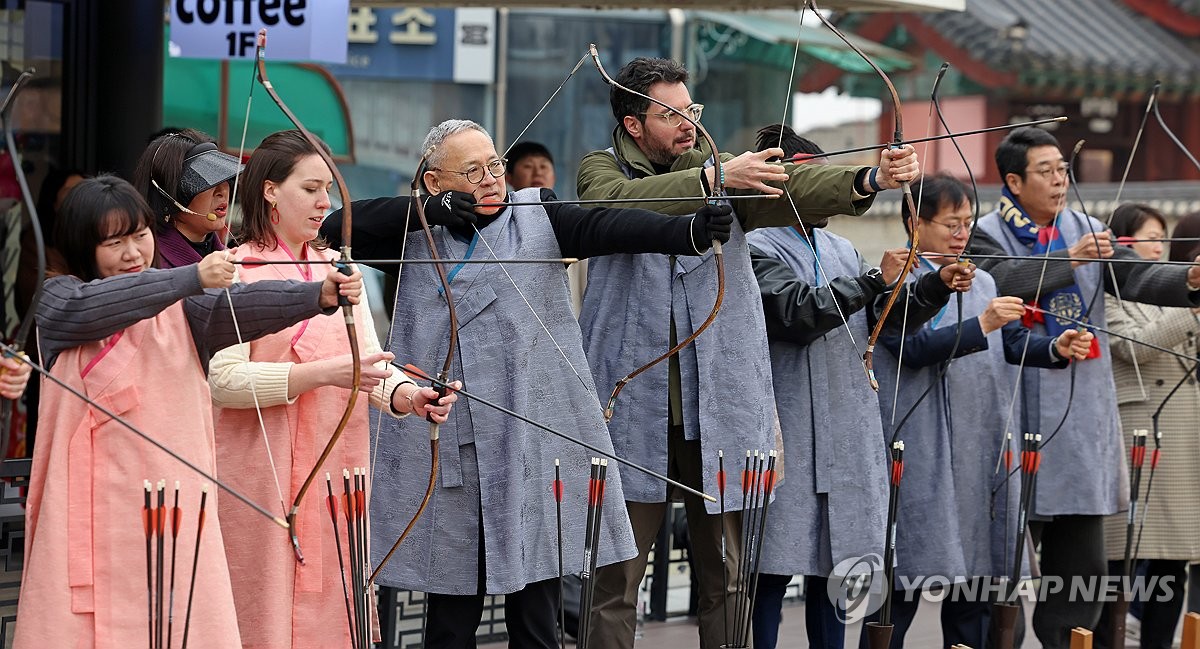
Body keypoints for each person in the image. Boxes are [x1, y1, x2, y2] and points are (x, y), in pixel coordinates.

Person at [319, 118, 735, 649]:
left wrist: (687, 232)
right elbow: (334, 226)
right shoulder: (411, 232)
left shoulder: (537, 214)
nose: (492, 178)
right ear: (433, 182)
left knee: (536, 620)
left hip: (529, 446)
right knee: (450, 620)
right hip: (450, 447)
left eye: (494, 165)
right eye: (472, 171)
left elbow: (606, 226)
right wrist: (427, 213)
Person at [575, 56, 924, 649]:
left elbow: (794, 186)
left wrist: (868, 180)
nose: (689, 122)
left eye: (693, 110)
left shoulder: (719, 171)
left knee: (730, 577)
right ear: (634, 124)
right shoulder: (600, 170)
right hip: (631, 410)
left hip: (717, 412)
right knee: (615, 579)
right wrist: (714, 181)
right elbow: (611, 206)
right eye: (672, 113)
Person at [14, 174, 362, 648]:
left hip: (170, 516)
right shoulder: (60, 301)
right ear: (82, 248)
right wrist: (189, 277)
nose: (134, 253)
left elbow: (239, 306)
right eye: (115, 243)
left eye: (139, 236)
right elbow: (92, 307)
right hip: (89, 519)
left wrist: (315, 296)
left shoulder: (184, 308)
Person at [207, 129, 457, 649]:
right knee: (258, 611)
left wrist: (411, 396)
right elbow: (224, 380)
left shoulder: (339, 270)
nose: (325, 203)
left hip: (334, 471)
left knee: (336, 611)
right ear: (270, 190)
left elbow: (370, 364)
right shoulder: (235, 270)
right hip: (259, 475)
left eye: (328, 190)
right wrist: (322, 375)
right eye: (311, 188)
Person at [966, 127, 1200, 649]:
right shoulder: (983, 233)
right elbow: (996, 279)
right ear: (1012, 181)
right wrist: (1068, 260)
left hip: (1078, 427)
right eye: (1046, 171)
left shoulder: (1087, 228)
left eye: (1062, 170)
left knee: (1083, 570)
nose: (1058, 181)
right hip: (1008, 421)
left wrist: (1188, 281)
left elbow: (1138, 277)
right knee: (999, 570)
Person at [746, 130, 972, 649]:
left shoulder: (841, 246)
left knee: (836, 575)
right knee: (769, 577)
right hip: (789, 433)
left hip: (845, 431)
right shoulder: (754, 244)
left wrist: (934, 286)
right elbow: (796, 313)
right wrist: (874, 278)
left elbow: (883, 324)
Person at [863, 173, 1093, 649]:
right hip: (921, 447)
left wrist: (1055, 346)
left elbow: (1009, 342)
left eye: (967, 222)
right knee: (901, 583)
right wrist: (982, 321)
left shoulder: (983, 278)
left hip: (978, 447)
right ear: (914, 222)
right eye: (950, 223)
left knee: (977, 584)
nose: (962, 233)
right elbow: (912, 348)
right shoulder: (893, 279)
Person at [1095, 205, 1200, 649]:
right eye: (1146, 237)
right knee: (1122, 558)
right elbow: (1136, 347)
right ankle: (1113, 638)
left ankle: (1158, 640)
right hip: (1138, 428)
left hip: (1183, 431)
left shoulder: (1178, 291)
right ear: (1121, 243)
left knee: (1173, 560)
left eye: (1161, 236)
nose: (1157, 245)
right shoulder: (1108, 295)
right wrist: (1192, 309)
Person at [131, 129, 239, 268]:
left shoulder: (234, 258)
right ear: (170, 194)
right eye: (206, 181)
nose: (222, 191)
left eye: (225, 179)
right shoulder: (147, 264)